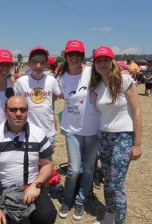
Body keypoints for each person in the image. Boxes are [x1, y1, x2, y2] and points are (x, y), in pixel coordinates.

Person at [0, 95, 57, 224]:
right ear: (5, 112)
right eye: (13, 110)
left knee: (47, 215)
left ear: (27, 111)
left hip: (31, 185)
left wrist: (37, 184)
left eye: (23, 109)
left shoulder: (38, 134)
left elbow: (47, 164)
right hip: (4, 189)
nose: (18, 113)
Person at [90, 46, 142, 224]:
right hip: (104, 137)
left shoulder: (125, 80)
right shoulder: (98, 86)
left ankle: (120, 221)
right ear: (94, 64)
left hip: (123, 137)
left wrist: (137, 144)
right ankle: (109, 215)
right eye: (98, 60)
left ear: (112, 62)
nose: (102, 63)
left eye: (106, 60)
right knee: (107, 180)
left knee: (116, 183)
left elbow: (137, 112)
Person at [57, 39, 100, 220]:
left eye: (77, 54)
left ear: (82, 56)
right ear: (65, 56)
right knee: (74, 169)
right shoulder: (60, 78)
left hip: (93, 131)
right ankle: (67, 199)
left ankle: (81, 201)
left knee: (89, 169)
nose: (74, 57)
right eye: (70, 54)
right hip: (72, 130)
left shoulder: (92, 72)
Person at [14, 46, 61, 148]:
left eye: (42, 62)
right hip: (27, 131)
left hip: (48, 131)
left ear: (46, 65)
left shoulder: (51, 80)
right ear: (29, 63)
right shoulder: (21, 82)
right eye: (35, 62)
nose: (38, 66)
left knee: (47, 162)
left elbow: (56, 95)